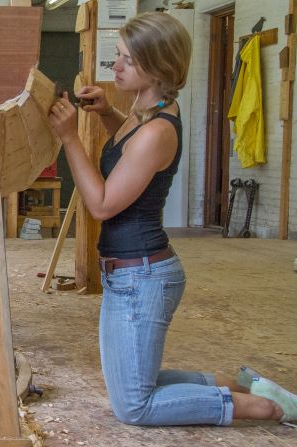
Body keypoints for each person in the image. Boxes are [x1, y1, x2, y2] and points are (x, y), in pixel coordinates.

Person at [47, 12, 296, 426]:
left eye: (127, 59)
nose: (116, 65)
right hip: (128, 273)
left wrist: (70, 138)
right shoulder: (150, 111)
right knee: (132, 383)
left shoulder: (157, 131)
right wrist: (108, 113)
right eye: (118, 55)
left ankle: (257, 407)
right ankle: (239, 384)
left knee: (134, 406)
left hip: (141, 278)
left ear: (158, 67)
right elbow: (128, 148)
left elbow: (104, 204)